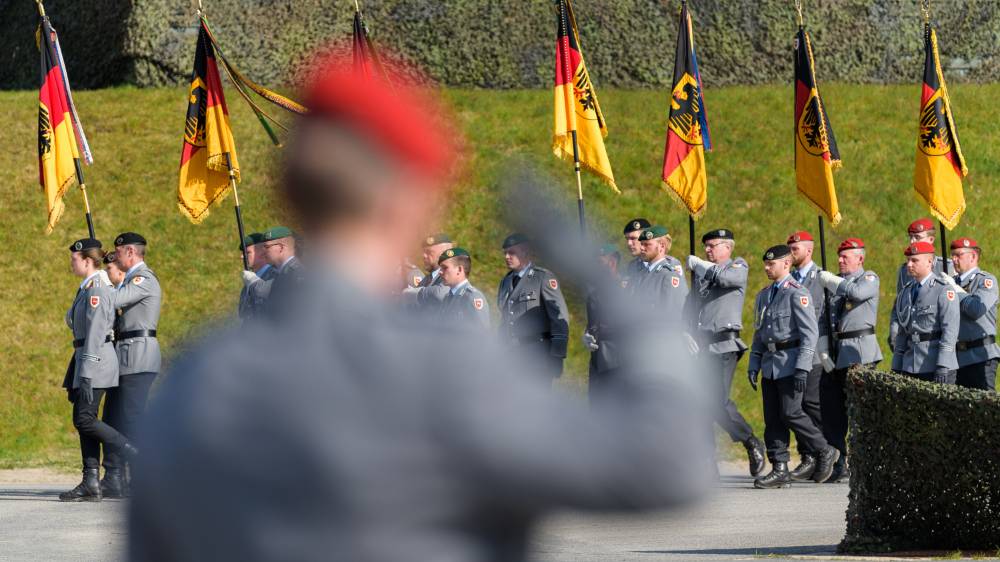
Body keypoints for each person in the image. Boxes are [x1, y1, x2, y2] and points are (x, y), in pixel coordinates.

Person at [129, 52, 713, 562]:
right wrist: (601, 283)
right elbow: (669, 462)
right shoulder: (444, 372)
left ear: (292, 195)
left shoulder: (198, 381)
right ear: (406, 201)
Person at [747, 245, 839, 489]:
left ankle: (824, 449)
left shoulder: (798, 293)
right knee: (773, 419)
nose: (767, 268)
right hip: (770, 364)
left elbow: (810, 334)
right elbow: (759, 333)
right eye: (765, 264)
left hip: (791, 362)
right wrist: (754, 363)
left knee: (791, 412)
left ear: (786, 264)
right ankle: (779, 468)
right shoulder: (764, 295)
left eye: (771, 264)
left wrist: (802, 367)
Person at [59, 239, 136, 502]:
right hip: (85, 358)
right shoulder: (88, 288)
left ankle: (129, 449)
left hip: (96, 361)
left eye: (75, 258)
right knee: (83, 421)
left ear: (87, 260)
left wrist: (87, 370)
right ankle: (90, 481)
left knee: (84, 419)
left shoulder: (97, 290)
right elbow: (73, 321)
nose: (72, 263)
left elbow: (95, 332)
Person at [686, 229, 765, 478]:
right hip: (702, 347)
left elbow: (725, 280)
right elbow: (690, 308)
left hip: (725, 346)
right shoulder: (702, 274)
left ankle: (751, 441)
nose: (708, 250)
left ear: (728, 247)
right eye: (705, 246)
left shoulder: (737, 266)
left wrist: (699, 266)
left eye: (713, 245)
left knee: (717, 402)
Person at [814, 238, 882, 482]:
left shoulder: (869, 279)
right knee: (832, 410)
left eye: (846, 256)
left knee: (859, 411)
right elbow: (823, 318)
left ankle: (865, 462)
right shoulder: (834, 285)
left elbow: (855, 293)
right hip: (836, 353)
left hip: (860, 354)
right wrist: (822, 348)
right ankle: (838, 462)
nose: (840, 260)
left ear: (860, 259)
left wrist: (831, 280)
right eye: (839, 256)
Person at [105, 232, 161, 496]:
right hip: (126, 355)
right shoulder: (129, 280)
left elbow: (114, 300)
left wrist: (100, 282)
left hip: (138, 355)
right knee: (118, 418)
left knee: (133, 418)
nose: (114, 257)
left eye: (117, 252)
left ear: (129, 252)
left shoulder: (143, 279)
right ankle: (118, 477)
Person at [785, 231, 829, 482]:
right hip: (792, 351)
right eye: (789, 248)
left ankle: (826, 452)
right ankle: (808, 456)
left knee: (811, 403)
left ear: (809, 250)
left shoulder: (820, 277)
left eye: (795, 248)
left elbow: (825, 315)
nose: (791, 253)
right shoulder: (787, 278)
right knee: (797, 404)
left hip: (814, 351)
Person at [496, 233, 571, 381]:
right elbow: (505, 320)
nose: (507, 257)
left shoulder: (542, 277)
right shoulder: (505, 282)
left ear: (525, 251)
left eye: (512, 252)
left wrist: (557, 354)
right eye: (505, 253)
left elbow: (559, 316)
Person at [890, 241, 960, 383]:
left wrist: (943, 364)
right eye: (908, 260)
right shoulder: (906, 292)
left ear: (929, 261)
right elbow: (903, 332)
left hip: (935, 364)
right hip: (910, 365)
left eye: (914, 260)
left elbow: (950, 331)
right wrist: (897, 364)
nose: (909, 264)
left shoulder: (943, 290)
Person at [943, 237, 999, 391]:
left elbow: (976, 310)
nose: (953, 259)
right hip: (956, 358)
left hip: (981, 355)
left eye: (958, 255)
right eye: (952, 255)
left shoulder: (986, 281)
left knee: (984, 408)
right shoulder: (951, 282)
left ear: (973, 256)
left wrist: (955, 289)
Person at [583, 244, 624, 402]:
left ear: (612, 263)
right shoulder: (594, 293)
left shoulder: (626, 289)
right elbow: (593, 322)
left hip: (619, 362)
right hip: (597, 360)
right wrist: (587, 334)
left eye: (599, 264)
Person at [632, 226, 687, 321]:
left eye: (647, 244)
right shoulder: (642, 273)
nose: (641, 248)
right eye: (641, 244)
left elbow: (672, 313)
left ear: (662, 246)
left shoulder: (668, 275)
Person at [432, 247, 490, 330]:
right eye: (440, 268)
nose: (440, 272)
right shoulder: (447, 297)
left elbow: (482, 335)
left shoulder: (472, 297)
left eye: (445, 268)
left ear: (459, 270)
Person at [895, 218, 954, 294]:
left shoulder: (946, 266)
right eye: (910, 237)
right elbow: (901, 301)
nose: (912, 241)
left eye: (917, 237)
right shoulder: (904, 270)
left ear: (931, 240)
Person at [238, 233, 278, 320]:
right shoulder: (249, 280)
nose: (242, 256)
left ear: (263, 253)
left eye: (247, 252)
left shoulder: (275, 277)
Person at [621, 218, 651, 288]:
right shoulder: (632, 266)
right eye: (627, 239)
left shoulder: (667, 266)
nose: (629, 243)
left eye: (633, 238)